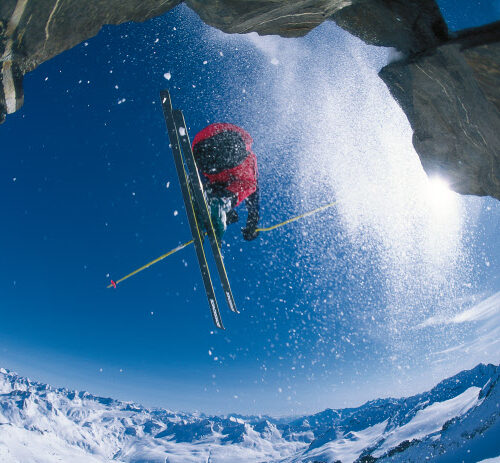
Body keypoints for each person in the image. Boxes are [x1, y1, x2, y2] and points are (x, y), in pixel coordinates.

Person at [192, 122, 259, 241]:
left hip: (199, 148)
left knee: (213, 189)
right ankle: (223, 203)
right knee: (250, 185)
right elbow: (253, 193)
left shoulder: (221, 176)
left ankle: (204, 206)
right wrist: (252, 222)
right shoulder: (247, 165)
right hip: (229, 143)